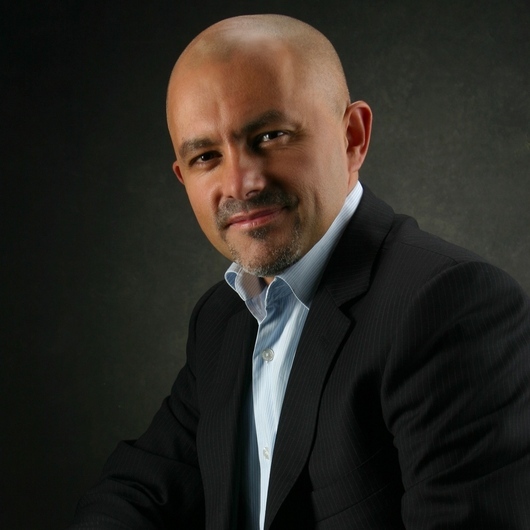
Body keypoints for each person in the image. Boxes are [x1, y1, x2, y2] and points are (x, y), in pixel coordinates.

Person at [70, 14, 530, 530]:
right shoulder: (222, 318)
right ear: (183, 177)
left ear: (352, 136)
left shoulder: (450, 305)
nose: (240, 183)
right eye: (206, 156)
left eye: (270, 135)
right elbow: (140, 490)